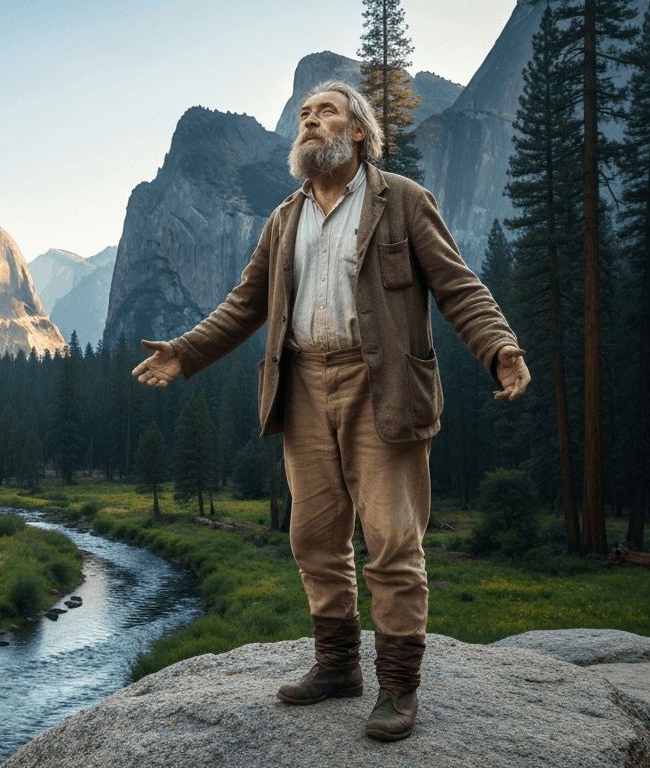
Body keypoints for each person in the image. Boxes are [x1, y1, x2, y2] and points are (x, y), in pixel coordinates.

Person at [131, 81, 529, 742]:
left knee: (393, 544)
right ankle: (339, 666)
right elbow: (246, 302)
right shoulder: (284, 218)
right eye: (305, 115)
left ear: (359, 132)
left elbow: (457, 285)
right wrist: (186, 351)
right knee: (314, 540)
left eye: (326, 112)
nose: (311, 121)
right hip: (303, 389)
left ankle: (398, 688)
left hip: (383, 387)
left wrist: (499, 347)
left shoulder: (403, 201)